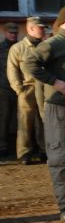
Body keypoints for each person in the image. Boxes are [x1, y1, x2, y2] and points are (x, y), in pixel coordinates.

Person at [23, 6, 65, 220]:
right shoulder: (53, 44)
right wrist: (55, 82)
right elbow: (29, 63)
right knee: (61, 157)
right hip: (58, 106)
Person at [7, 17, 47, 165]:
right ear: (30, 29)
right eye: (40, 28)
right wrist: (19, 89)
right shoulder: (18, 48)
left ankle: (44, 150)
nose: (43, 30)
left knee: (43, 120)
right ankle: (24, 152)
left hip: (43, 88)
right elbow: (12, 70)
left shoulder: (45, 46)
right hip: (27, 88)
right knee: (25, 121)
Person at [0, 22, 19, 158]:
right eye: (11, 32)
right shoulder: (1, 49)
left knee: (20, 119)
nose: (13, 35)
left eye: (15, 33)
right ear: (5, 33)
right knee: (4, 118)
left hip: (19, 88)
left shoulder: (20, 48)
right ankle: (2, 146)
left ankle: (18, 146)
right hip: (4, 89)